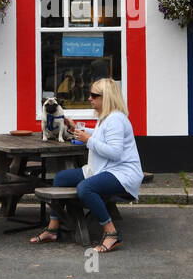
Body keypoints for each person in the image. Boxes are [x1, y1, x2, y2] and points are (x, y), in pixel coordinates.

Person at [30, 77, 142, 253]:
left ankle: (111, 233)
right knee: (60, 178)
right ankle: (53, 229)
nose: (89, 98)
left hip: (122, 173)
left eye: (93, 95)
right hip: (104, 168)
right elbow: (100, 136)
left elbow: (115, 152)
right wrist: (77, 130)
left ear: (106, 97)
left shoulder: (115, 120)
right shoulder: (106, 118)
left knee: (85, 188)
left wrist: (88, 140)